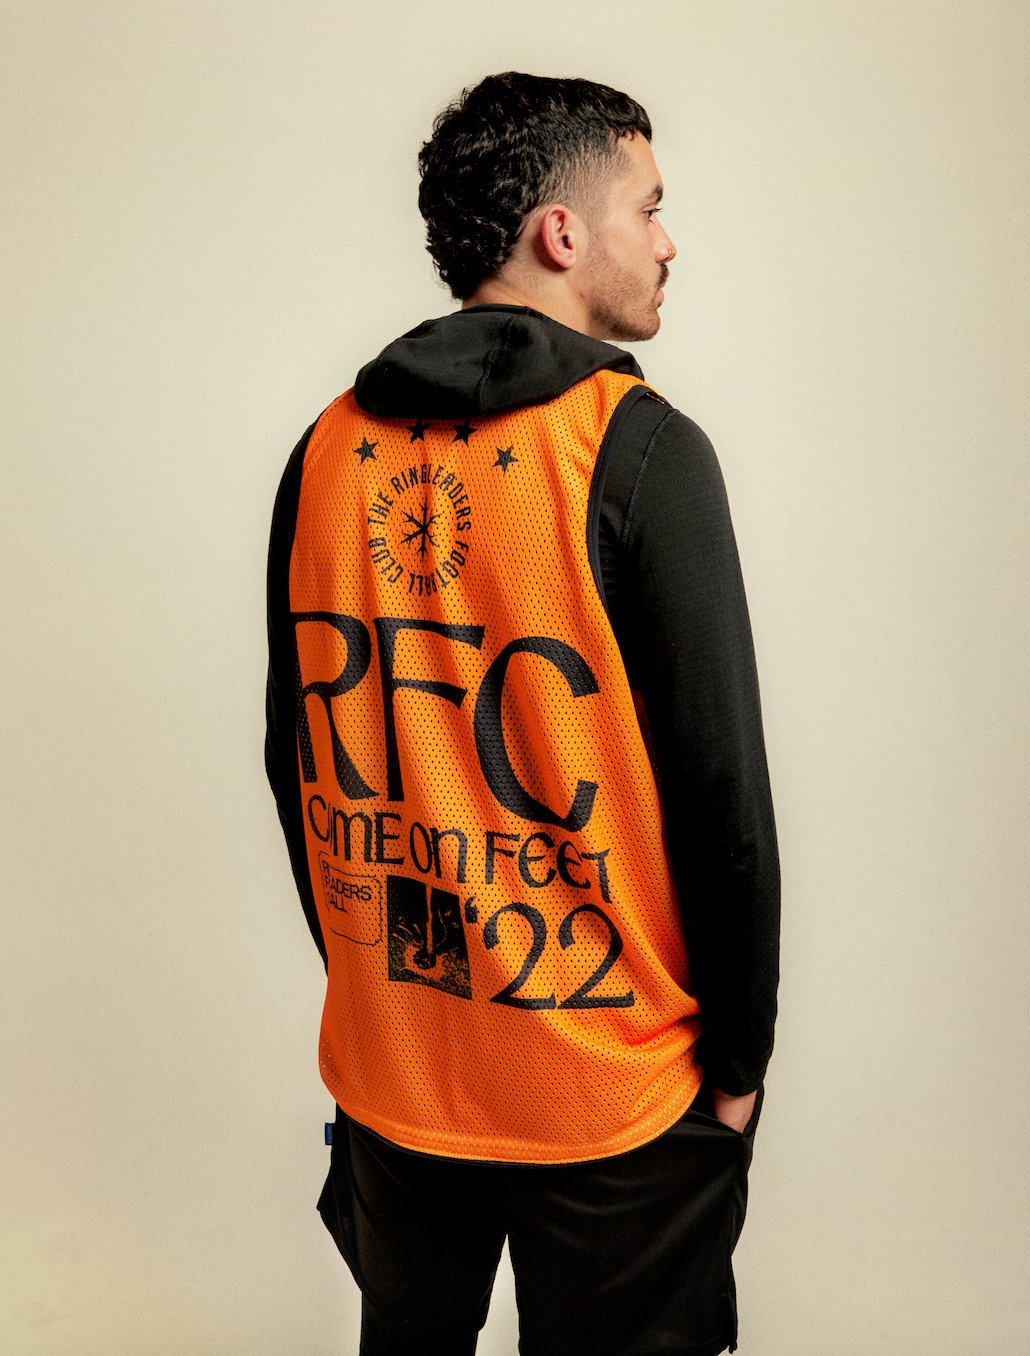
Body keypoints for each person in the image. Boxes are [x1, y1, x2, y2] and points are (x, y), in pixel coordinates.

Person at [266, 72, 780, 1356]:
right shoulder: (640, 449)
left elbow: (295, 758)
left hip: (397, 1060)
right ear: (561, 233)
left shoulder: (326, 446)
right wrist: (737, 1068)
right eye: (646, 207)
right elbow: (719, 796)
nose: (666, 241)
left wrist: (376, 979)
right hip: (608, 1082)